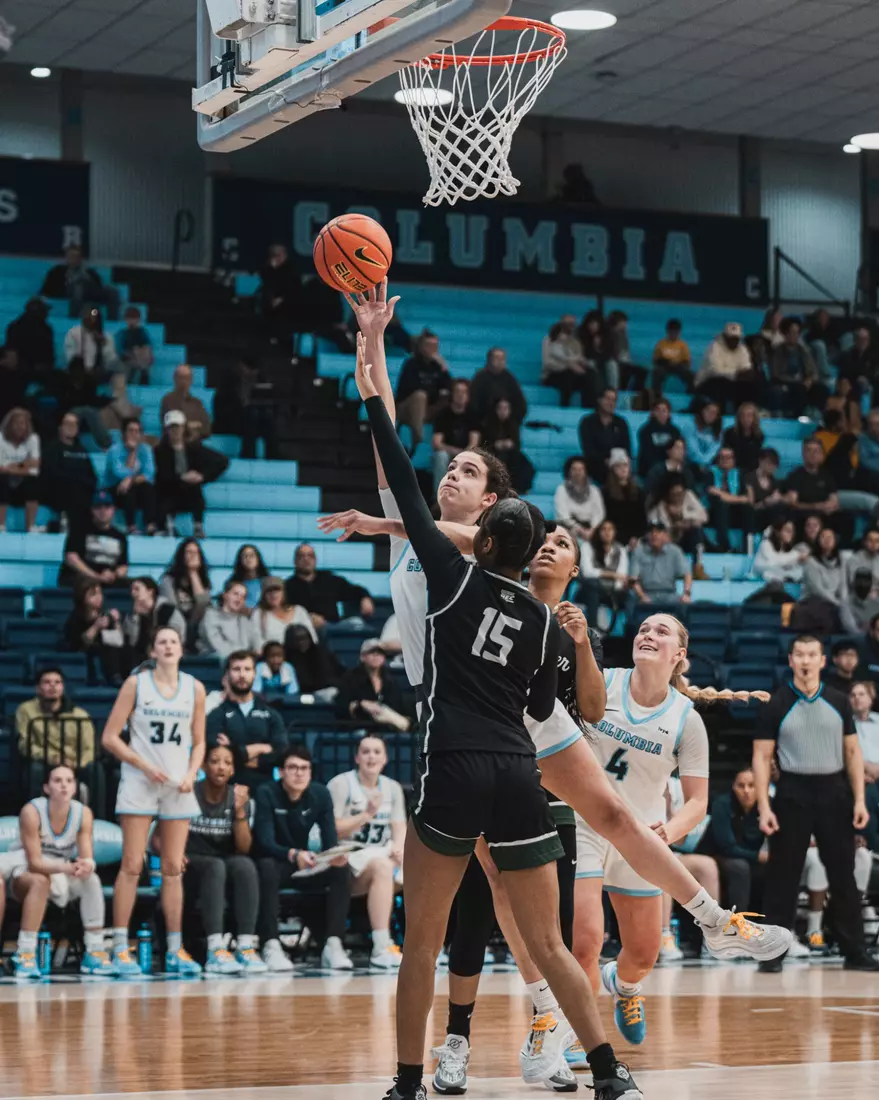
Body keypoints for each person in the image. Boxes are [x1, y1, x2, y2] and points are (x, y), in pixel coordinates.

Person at [339, 285, 791, 1096]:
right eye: (450, 465)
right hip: (463, 710)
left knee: (611, 816)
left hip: (507, 710)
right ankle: (542, 1027)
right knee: (503, 893)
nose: (451, 472)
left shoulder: (467, 552)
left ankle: (711, 921)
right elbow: (388, 450)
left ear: (490, 506)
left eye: (467, 470)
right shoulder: (431, 538)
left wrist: (394, 519)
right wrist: (368, 346)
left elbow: (461, 534)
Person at [572, 614, 722, 1048]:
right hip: (584, 823)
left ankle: (625, 986)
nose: (648, 634)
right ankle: (577, 1038)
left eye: (661, 631)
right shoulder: (603, 681)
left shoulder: (686, 719)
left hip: (640, 836)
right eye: (643, 629)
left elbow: (697, 802)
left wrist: (669, 833)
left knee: (642, 954)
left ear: (679, 655)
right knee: (585, 941)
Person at [752, 635, 878, 972]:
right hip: (792, 792)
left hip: (834, 791)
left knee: (843, 875)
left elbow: (852, 752)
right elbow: (761, 758)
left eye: (812, 655)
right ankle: (773, 954)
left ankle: (855, 952)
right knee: (783, 876)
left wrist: (859, 800)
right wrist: (764, 807)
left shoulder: (839, 701)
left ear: (822, 661)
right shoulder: (776, 703)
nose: (806, 661)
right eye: (800, 655)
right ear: (791, 660)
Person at [101, 626, 206, 976]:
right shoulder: (136, 685)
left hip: (177, 785)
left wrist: (192, 773)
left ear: (181, 649)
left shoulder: (195, 688)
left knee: (173, 867)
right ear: (153, 650)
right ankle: (120, 948)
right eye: (162, 641)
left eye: (174, 641)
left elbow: (200, 741)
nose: (169, 646)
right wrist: (143, 765)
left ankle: (175, 950)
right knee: (132, 864)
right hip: (140, 782)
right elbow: (110, 737)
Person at [2, 764, 116, 978]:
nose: (64, 785)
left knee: (91, 880)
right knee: (40, 880)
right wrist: (66, 867)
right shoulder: (32, 811)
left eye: (69, 781)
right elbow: (34, 862)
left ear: (75, 787)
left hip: (60, 870)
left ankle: (94, 951)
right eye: (57, 781)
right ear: (46, 788)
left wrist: (87, 865)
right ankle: (25, 953)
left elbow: (87, 855)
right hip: (24, 868)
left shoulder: (83, 813)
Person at [254, 744, 353, 972]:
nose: (299, 773)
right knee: (266, 867)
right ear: (281, 772)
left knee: (341, 869)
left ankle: (333, 945)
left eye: (304, 768)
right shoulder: (266, 792)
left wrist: (333, 856)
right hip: (278, 860)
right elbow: (264, 841)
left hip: (307, 862)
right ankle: (270, 944)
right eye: (292, 768)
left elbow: (329, 840)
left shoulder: (320, 794)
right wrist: (292, 853)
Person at [185, 743, 267, 974]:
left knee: (245, 865)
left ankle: (245, 946)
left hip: (222, 861)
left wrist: (240, 812)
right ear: (203, 766)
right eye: (215, 761)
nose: (221, 767)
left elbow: (243, 848)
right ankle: (215, 948)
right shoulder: (189, 793)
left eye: (227, 763)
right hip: (190, 863)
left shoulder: (238, 797)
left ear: (232, 770)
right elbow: (159, 839)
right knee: (215, 866)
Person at [328, 734, 407, 969]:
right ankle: (382, 946)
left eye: (376, 752)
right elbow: (331, 828)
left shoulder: (392, 787)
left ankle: (430, 947)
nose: (371, 757)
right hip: (346, 861)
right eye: (365, 752)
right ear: (357, 758)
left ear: (385, 759)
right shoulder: (341, 784)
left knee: (423, 871)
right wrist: (366, 815)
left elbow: (399, 826)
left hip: (382, 857)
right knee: (383, 867)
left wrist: (399, 847)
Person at [15, 667, 99, 805]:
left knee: (96, 770)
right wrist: (53, 758)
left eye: (57, 682)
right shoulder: (26, 710)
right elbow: (25, 744)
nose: (52, 686)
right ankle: (34, 812)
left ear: (63, 688)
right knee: (34, 770)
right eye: (47, 682)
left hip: (74, 763)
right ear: (38, 688)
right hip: (44, 761)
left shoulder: (80, 715)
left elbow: (89, 748)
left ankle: (94, 814)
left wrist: (75, 764)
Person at [206, 650, 288, 789]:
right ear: (227, 674)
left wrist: (234, 750)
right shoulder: (216, 715)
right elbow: (216, 755)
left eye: (247, 669)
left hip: (265, 789)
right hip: (228, 789)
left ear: (254, 673)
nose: (242, 675)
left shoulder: (270, 714)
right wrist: (260, 748)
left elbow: (281, 752)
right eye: (236, 669)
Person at [700, 769, 766, 915]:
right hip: (717, 854)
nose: (746, 791)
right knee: (740, 867)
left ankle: (768, 919)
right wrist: (757, 856)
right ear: (733, 787)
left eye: (751, 785)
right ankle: (738, 920)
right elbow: (727, 847)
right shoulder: (722, 804)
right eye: (741, 786)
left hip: (747, 854)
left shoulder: (766, 807)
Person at [153, 409, 229, 538]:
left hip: (189, 492)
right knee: (163, 493)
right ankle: (166, 525)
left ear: (183, 428)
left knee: (194, 487)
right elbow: (161, 476)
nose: (175, 431)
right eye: (172, 428)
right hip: (169, 491)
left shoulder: (193, 449)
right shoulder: (159, 451)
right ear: (166, 430)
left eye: (178, 427)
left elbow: (222, 461)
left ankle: (198, 526)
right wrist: (182, 477)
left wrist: (202, 476)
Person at [283, 542, 374, 628]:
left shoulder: (329, 579)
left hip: (332, 629)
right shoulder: (287, 586)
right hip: (302, 630)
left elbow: (354, 590)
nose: (306, 559)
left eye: (310, 556)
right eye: (301, 556)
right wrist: (307, 619)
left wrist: (365, 598)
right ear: (295, 561)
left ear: (315, 560)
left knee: (356, 623)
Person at [40, 412, 97, 534]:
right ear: (60, 427)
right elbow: (50, 473)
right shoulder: (51, 448)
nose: (71, 427)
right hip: (58, 491)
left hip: (81, 492)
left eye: (74, 424)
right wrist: (76, 478)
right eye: (68, 424)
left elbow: (92, 476)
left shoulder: (82, 450)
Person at [335, 639, 411, 731]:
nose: (376, 656)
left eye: (379, 653)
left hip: (387, 728)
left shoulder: (390, 681)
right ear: (362, 657)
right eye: (371, 652)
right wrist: (362, 704)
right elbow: (341, 705)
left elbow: (398, 706)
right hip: (359, 727)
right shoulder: (350, 678)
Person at [58, 490, 129, 588]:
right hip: (82, 579)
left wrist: (113, 575)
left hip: (107, 581)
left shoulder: (120, 536)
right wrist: (96, 576)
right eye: (98, 507)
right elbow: (71, 558)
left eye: (107, 506)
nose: (103, 511)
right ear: (92, 510)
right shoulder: (79, 531)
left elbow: (123, 566)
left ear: (113, 509)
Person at [394, 329, 450, 449]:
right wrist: (435, 392)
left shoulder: (438, 366)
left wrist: (444, 368)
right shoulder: (411, 363)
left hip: (430, 409)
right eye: (428, 345)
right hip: (406, 408)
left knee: (451, 399)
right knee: (420, 396)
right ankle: (418, 441)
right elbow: (411, 388)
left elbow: (448, 388)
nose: (432, 349)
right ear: (421, 346)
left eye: (435, 346)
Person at [63, 581, 125, 686]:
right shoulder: (76, 617)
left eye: (100, 593)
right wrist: (96, 626)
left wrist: (116, 622)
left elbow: (119, 640)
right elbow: (80, 643)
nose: (98, 597)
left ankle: (116, 677)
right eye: (93, 594)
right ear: (82, 598)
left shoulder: (106, 614)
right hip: (85, 653)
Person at [104, 417, 157, 534]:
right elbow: (118, 472)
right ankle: (131, 526)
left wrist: (131, 479)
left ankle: (150, 525)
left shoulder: (146, 449)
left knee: (148, 488)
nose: (134, 434)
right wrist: (132, 452)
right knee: (128, 490)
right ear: (123, 433)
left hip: (136, 487)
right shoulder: (114, 450)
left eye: (137, 431)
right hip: (114, 488)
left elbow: (149, 473)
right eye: (130, 430)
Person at [122, 576, 186, 668]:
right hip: (142, 657)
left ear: (150, 591)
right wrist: (135, 617)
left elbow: (177, 635)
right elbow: (132, 641)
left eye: (137, 589)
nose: (133, 593)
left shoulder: (168, 610)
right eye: (132, 590)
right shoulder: (132, 615)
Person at [41, 245, 119, 320]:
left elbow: (99, 285)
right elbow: (48, 288)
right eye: (71, 256)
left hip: (90, 292)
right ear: (66, 258)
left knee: (112, 291)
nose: (74, 259)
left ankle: (112, 320)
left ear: (80, 259)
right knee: (78, 287)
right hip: (69, 291)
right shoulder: (58, 271)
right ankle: (74, 319)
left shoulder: (89, 271)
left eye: (77, 257)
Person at [159, 538, 213, 645]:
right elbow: (171, 608)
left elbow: (202, 603)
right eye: (189, 552)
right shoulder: (168, 580)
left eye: (196, 553)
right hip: (176, 623)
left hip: (197, 623)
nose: (193, 556)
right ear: (182, 556)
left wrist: (193, 573)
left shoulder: (203, 581)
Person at [770, 318, 828, 417]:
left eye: (797, 332)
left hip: (803, 382)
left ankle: (819, 418)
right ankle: (797, 418)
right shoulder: (778, 351)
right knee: (799, 390)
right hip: (786, 381)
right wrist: (797, 381)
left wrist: (810, 380)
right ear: (786, 334)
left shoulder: (803, 350)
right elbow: (776, 374)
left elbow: (813, 371)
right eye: (792, 332)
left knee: (821, 389)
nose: (795, 335)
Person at [577, 520, 628, 629]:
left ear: (614, 532)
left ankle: (630, 632)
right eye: (603, 529)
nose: (607, 532)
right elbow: (587, 573)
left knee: (629, 594)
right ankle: (593, 629)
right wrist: (611, 575)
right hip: (588, 591)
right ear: (598, 532)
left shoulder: (620, 549)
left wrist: (615, 588)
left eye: (610, 529)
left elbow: (621, 575)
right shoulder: (587, 546)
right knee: (592, 585)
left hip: (611, 592)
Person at [431, 378, 480, 489]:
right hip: (448, 454)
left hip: (466, 454)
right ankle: (439, 494)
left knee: (472, 458)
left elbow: (474, 444)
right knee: (441, 456)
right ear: (452, 394)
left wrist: (463, 454)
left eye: (464, 392)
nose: (460, 395)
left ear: (468, 396)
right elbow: (437, 443)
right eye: (457, 391)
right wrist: (456, 452)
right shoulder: (442, 414)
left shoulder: (473, 415)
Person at [629, 522, 692, 606]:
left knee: (685, 604)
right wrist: (642, 596)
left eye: (658, 531)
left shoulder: (675, 551)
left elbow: (687, 574)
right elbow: (633, 580)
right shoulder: (638, 552)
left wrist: (686, 593)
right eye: (651, 532)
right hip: (646, 593)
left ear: (665, 535)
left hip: (670, 594)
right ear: (646, 535)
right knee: (632, 600)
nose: (654, 534)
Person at [480, 396, 534, 494]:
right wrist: (495, 445)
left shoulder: (513, 425)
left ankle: (519, 489)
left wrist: (510, 444)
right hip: (492, 454)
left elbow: (516, 444)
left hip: (511, 454)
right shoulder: (487, 424)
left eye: (506, 408)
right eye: (500, 408)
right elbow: (483, 444)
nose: (503, 411)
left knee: (525, 465)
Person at [796, 528, 846, 633]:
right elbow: (818, 590)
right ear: (818, 541)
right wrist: (838, 603)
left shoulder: (842, 561)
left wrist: (844, 603)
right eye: (823, 537)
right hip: (813, 602)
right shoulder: (811, 562)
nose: (827, 540)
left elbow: (843, 586)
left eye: (830, 537)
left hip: (834, 603)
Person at [577, 388, 631, 485]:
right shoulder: (587, 422)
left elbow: (626, 447)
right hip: (595, 464)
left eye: (614, 400)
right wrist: (604, 461)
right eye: (608, 399)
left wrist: (616, 461)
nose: (611, 403)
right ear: (599, 400)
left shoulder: (621, 423)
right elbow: (588, 448)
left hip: (617, 464)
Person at [647, 475, 708, 561]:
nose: (678, 497)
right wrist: (673, 527)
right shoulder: (658, 507)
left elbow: (703, 516)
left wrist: (685, 519)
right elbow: (652, 527)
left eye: (680, 493)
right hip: (668, 543)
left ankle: (697, 563)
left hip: (686, 539)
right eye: (674, 494)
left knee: (697, 530)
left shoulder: (688, 496)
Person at [0, 406, 40, 532]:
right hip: (5, 478)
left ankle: (31, 526)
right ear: (9, 425)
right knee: (1, 482)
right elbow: (1, 468)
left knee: (33, 482)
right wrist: (25, 465)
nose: (19, 426)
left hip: (24, 479)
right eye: (16, 423)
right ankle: (1, 525)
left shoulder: (33, 438)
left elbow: (35, 463)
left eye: (22, 423)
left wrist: (13, 466)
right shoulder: (0, 438)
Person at [695, 323, 752, 410]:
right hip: (707, 382)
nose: (734, 341)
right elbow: (716, 371)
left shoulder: (742, 349)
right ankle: (721, 412)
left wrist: (745, 374)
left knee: (748, 385)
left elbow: (746, 368)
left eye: (736, 339)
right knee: (720, 384)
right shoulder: (714, 347)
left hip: (732, 383)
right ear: (725, 337)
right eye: (731, 339)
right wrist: (736, 374)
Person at [251, 575, 315, 651]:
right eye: (269, 591)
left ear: (284, 592)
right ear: (263, 595)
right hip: (274, 655)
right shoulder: (258, 614)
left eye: (277, 590)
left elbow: (313, 638)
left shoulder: (299, 610)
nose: (273, 594)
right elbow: (257, 644)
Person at [198, 579, 259, 659]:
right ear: (225, 595)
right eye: (236, 594)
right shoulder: (211, 615)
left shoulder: (244, 619)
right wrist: (243, 654)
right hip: (214, 661)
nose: (239, 599)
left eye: (243, 596)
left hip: (242, 660)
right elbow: (216, 645)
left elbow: (254, 642)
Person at [542, 314, 594, 407]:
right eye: (567, 324)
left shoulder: (575, 342)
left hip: (573, 373)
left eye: (573, 324)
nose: (570, 327)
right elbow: (547, 363)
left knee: (589, 376)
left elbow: (579, 358)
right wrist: (567, 365)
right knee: (567, 377)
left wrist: (582, 363)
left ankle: (589, 407)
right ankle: (564, 406)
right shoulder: (549, 340)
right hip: (553, 374)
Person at [706, 447, 751, 553]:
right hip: (714, 512)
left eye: (728, 457)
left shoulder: (739, 474)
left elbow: (746, 498)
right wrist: (737, 499)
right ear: (717, 460)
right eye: (722, 457)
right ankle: (724, 546)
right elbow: (712, 493)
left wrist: (724, 495)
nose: (725, 460)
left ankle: (747, 547)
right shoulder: (710, 473)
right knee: (721, 504)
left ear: (733, 460)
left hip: (735, 512)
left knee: (748, 509)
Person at [469, 347, 528, 426]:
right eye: (497, 358)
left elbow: (521, 404)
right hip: (483, 424)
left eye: (502, 358)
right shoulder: (479, 378)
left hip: (506, 424)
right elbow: (473, 404)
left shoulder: (510, 379)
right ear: (489, 360)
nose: (500, 361)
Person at [553, 455, 605, 541]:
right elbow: (563, 515)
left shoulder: (594, 490)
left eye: (581, 469)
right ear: (569, 471)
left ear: (586, 471)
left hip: (591, 529)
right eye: (574, 469)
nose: (577, 472)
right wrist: (580, 530)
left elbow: (599, 513)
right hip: (569, 527)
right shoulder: (561, 489)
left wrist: (591, 529)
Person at [602, 450, 647, 547]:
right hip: (615, 539)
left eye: (625, 465)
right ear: (612, 469)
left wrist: (636, 537)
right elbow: (608, 519)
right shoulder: (606, 493)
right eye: (618, 466)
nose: (623, 469)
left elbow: (642, 519)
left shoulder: (638, 492)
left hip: (636, 540)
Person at [160, 364, 212, 442]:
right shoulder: (167, 400)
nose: (184, 381)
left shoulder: (197, 403)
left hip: (194, 444)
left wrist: (188, 426)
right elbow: (171, 425)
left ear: (191, 380)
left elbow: (207, 429)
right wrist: (193, 425)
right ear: (175, 379)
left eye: (187, 378)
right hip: (173, 444)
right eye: (181, 378)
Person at [284, 623, 340, 695]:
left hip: (324, 691)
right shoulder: (285, 657)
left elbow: (336, 675)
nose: (302, 642)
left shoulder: (322, 653)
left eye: (305, 638)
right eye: (298, 639)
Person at [5, 297, 54, 374]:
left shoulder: (46, 329)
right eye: (43, 311)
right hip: (20, 368)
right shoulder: (16, 327)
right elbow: (12, 352)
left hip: (40, 369)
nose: (46, 314)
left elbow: (49, 354)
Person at [64, 307, 118, 375]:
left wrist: (102, 346)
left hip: (99, 372)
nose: (91, 320)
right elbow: (70, 355)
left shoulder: (106, 337)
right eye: (87, 317)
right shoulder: (73, 333)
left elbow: (111, 359)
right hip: (78, 372)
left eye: (94, 318)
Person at [636, 399, 681, 481]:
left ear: (669, 414)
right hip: (650, 468)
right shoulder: (645, 430)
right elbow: (647, 454)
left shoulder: (675, 431)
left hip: (670, 467)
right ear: (653, 413)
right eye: (658, 410)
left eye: (664, 411)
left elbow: (677, 452)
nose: (661, 413)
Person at [743, 447, 785, 530]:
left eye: (775, 464)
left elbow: (776, 498)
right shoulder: (749, 478)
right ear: (761, 461)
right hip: (753, 516)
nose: (772, 467)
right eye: (769, 463)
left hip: (769, 515)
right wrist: (765, 502)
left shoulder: (774, 481)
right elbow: (751, 507)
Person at [681, 399, 722, 481]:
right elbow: (692, 450)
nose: (711, 415)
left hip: (709, 465)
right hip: (690, 463)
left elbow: (714, 451)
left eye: (714, 413)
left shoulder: (717, 431)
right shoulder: (690, 426)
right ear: (702, 411)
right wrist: (702, 462)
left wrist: (705, 463)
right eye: (708, 411)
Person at [651, 319, 693, 395]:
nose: (673, 334)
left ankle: (690, 393)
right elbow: (656, 360)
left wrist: (678, 364)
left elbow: (687, 361)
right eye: (671, 332)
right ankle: (656, 394)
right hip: (664, 365)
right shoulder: (661, 344)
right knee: (657, 373)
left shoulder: (683, 345)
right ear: (667, 332)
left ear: (679, 332)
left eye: (676, 332)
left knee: (691, 376)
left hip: (678, 366)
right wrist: (666, 362)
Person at [578, 310, 616, 390]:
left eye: (594, 324)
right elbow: (583, 353)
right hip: (588, 359)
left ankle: (613, 389)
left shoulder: (607, 335)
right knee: (591, 364)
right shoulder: (582, 335)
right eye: (590, 324)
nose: (592, 326)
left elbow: (610, 354)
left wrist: (598, 348)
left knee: (611, 364)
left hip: (602, 359)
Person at [116, 306, 153, 384]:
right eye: (130, 318)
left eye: (134, 318)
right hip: (127, 359)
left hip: (141, 358)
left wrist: (141, 354)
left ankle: (144, 382)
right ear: (126, 319)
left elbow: (148, 346)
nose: (132, 321)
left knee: (143, 358)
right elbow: (120, 350)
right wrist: (132, 355)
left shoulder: (142, 332)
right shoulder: (122, 333)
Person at [722, 402, 764, 473]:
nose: (745, 419)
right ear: (738, 418)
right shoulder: (729, 433)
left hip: (751, 471)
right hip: (733, 470)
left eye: (749, 415)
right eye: (743, 415)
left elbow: (757, 458)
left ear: (754, 418)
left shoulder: (759, 435)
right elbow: (726, 455)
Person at [98, 371, 143, 435]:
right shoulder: (105, 412)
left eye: (123, 387)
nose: (122, 390)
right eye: (118, 388)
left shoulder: (136, 410)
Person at [229, 543, 269, 608]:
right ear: (240, 560)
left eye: (252, 555)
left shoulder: (268, 581)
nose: (248, 559)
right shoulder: (233, 582)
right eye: (245, 556)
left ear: (258, 558)